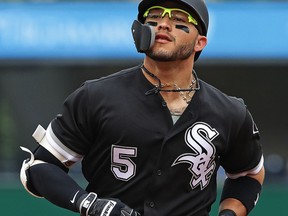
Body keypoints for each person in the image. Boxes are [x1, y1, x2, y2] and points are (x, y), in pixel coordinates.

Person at [20, 0, 265, 215]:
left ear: (200, 42)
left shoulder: (229, 111)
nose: (163, 24)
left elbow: (249, 174)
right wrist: (89, 204)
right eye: (154, 18)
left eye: (179, 19)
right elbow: (39, 168)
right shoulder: (95, 96)